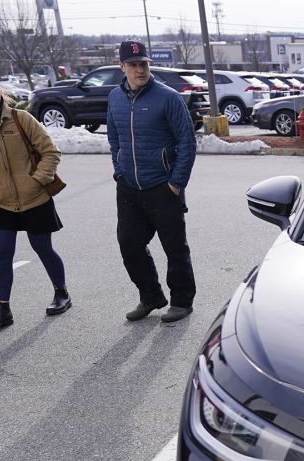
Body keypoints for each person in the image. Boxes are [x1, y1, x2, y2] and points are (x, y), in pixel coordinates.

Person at [0, 63, 70, 329]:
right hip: (1, 201)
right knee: (1, 252)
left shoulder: (21, 118)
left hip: (35, 199)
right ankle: (3, 309)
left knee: (42, 247)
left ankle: (62, 293)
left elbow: (50, 152)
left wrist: (37, 180)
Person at [107, 39, 197, 323]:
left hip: (162, 186)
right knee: (129, 244)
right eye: (133, 65)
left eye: (144, 64)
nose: (140, 70)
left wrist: (176, 182)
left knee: (175, 248)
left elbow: (187, 142)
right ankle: (150, 296)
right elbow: (114, 138)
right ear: (122, 66)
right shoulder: (115, 98)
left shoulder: (169, 98)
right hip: (129, 187)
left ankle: (181, 302)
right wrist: (119, 170)